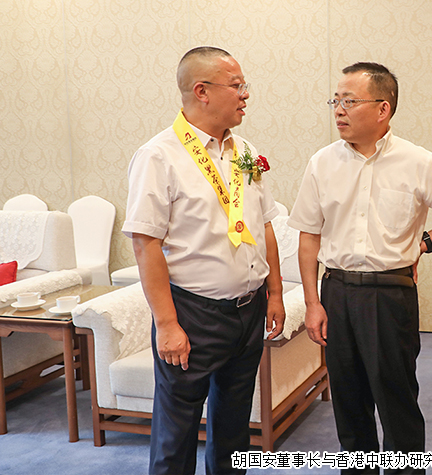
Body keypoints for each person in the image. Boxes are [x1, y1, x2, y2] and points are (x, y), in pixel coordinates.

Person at [288, 62, 432, 474]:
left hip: (390, 295)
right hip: (336, 292)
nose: (339, 110)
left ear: (382, 109)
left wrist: (423, 244)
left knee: (396, 399)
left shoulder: (418, 161)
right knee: (348, 401)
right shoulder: (322, 163)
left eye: (349, 101)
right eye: (335, 100)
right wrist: (313, 303)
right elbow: (308, 236)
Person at [122, 46, 285, 475]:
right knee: (176, 433)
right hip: (194, 313)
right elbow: (145, 244)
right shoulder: (159, 156)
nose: (245, 94)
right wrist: (167, 324)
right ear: (202, 91)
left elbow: (264, 225)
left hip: (248, 310)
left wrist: (274, 294)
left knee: (234, 426)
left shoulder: (244, 150)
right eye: (237, 85)